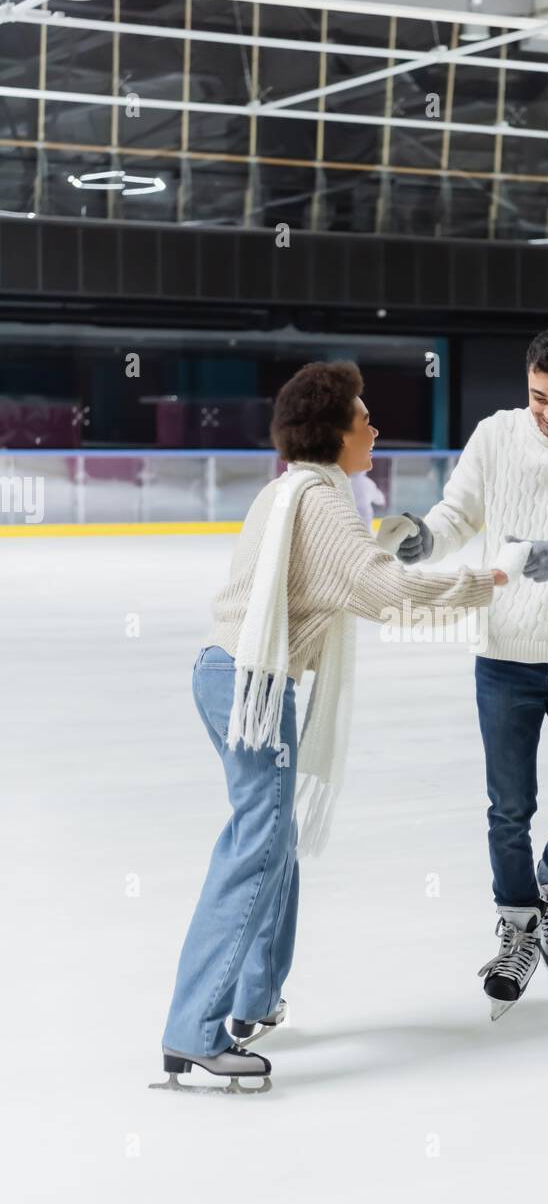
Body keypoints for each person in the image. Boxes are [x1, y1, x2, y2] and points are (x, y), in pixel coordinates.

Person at [156, 361, 507, 1091]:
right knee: (255, 847)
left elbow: (344, 573)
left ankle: (252, 999)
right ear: (336, 430)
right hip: (252, 684)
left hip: (229, 675)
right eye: (364, 417)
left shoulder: (291, 493)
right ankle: (194, 1031)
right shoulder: (321, 502)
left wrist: (395, 539)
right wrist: (480, 583)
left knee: (270, 841)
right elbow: (381, 593)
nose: (374, 428)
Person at [393, 322, 548, 1019]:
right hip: (504, 659)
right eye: (537, 396)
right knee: (509, 808)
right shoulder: (497, 434)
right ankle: (518, 927)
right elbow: (456, 511)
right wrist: (425, 538)